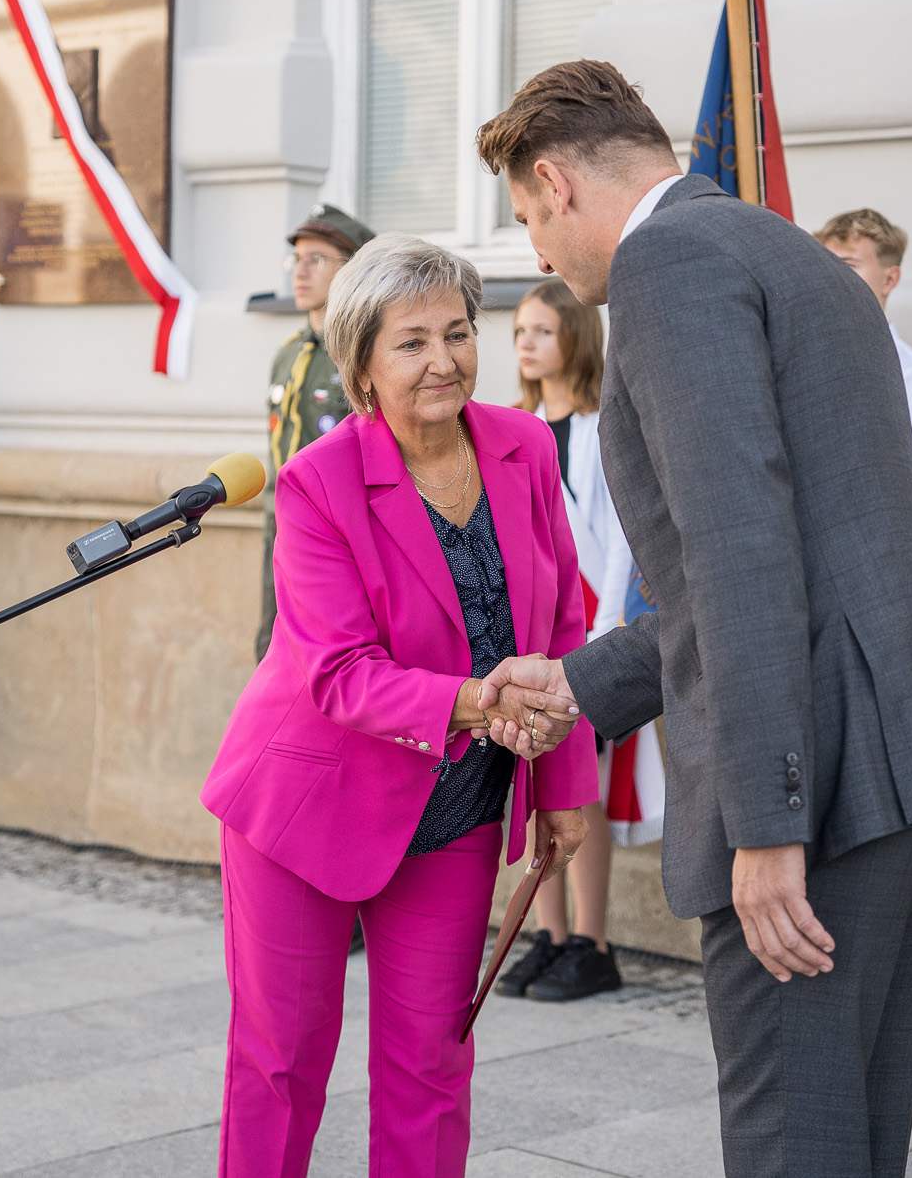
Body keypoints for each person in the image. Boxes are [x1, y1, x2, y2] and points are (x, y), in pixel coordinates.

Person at [471, 60, 912, 1178]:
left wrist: (766, 827)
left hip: (820, 789)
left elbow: (740, 553)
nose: (537, 253)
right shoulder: (784, 251)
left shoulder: (665, 266)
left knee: (794, 1151)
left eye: (530, 218)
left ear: (556, 182)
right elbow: (789, 551)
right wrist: (580, 685)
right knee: (853, 1144)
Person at [202, 234, 599, 1178]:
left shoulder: (525, 444)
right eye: (411, 341)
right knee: (281, 1064)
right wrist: (473, 698)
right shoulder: (317, 482)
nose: (444, 359)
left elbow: (565, 620)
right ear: (362, 366)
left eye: (457, 333)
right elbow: (337, 670)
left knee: (432, 1064)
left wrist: (564, 785)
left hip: (455, 808)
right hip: (308, 806)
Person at [496, 278, 658, 1004]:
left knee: (577, 789)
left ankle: (592, 940)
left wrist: (602, 639)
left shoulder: (600, 427)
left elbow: (621, 539)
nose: (526, 343)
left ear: (574, 338)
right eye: (519, 331)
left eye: (541, 330)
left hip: (588, 622)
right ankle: (546, 933)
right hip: (526, 627)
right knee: (529, 785)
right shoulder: (509, 426)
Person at [258, 202, 375, 661]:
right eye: (296, 259)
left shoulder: (355, 354)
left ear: (352, 269)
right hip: (281, 522)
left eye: (316, 259)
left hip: (340, 530)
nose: (299, 272)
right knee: (272, 646)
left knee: (332, 652)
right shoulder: (287, 354)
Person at [817, 208, 912, 503]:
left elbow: (911, 488)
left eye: (848, 265)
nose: (830, 277)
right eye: (823, 264)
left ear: (889, 280)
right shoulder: (809, 359)